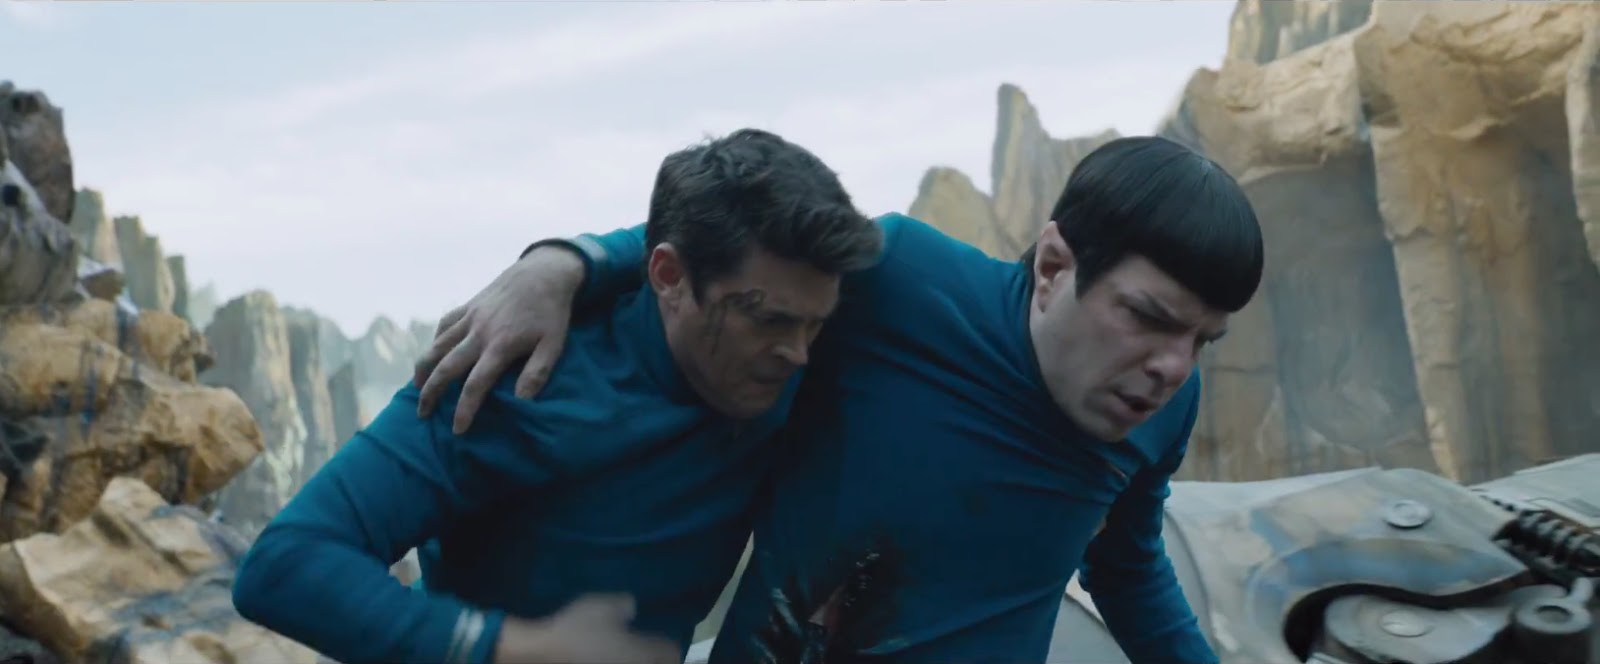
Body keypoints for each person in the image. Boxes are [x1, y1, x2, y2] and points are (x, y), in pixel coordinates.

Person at [415, 135, 1264, 664]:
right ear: (1053, 267)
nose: (1172, 367)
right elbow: (722, 259)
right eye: (1148, 318)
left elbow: (1126, 566)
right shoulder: (903, 281)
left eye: (1203, 341)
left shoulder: (1166, 409)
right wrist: (562, 264)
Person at [230, 128, 885, 664]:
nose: (798, 354)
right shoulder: (517, 379)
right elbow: (286, 564)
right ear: (669, 278)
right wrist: (515, 650)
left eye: (815, 324)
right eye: (769, 321)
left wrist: (572, 256)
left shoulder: (784, 340)